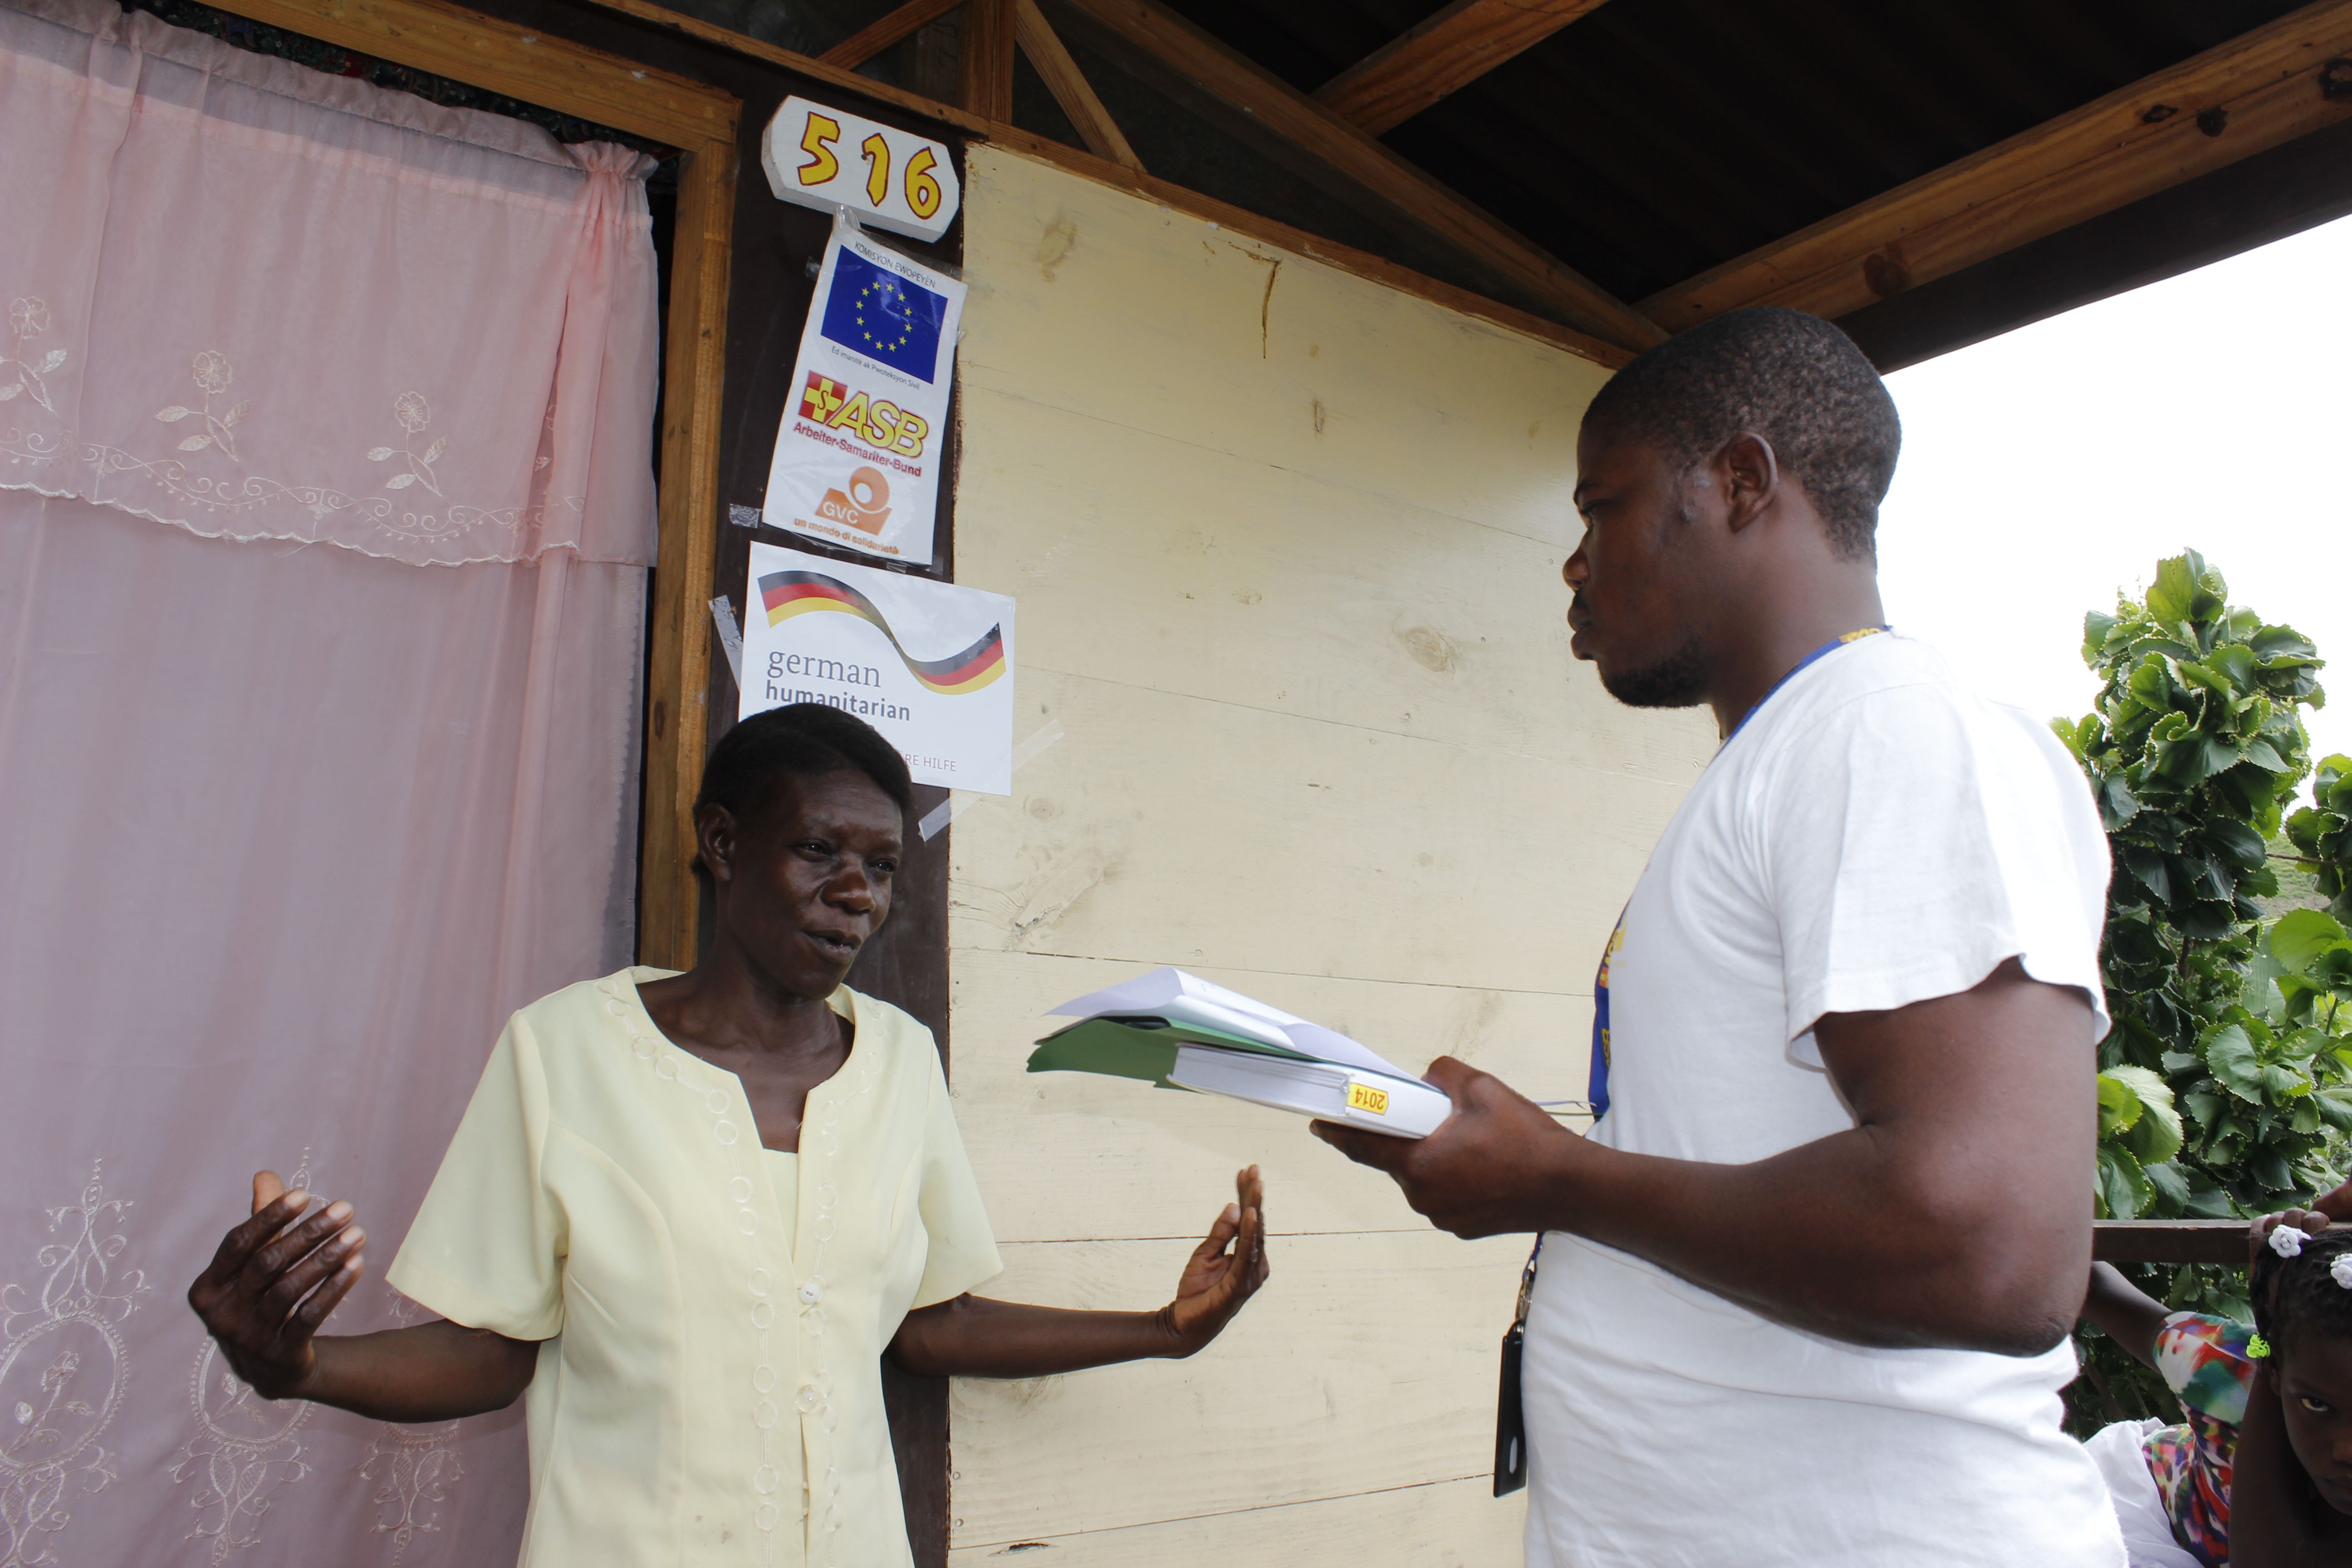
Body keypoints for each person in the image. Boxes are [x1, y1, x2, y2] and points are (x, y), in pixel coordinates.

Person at [1315, 307, 2125, 1564]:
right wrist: (1526, 1155)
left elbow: (1991, 1247)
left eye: (1603, 508)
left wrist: (1556, 1179)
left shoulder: (1895, 731)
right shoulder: (1798, 755)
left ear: (1741, 483)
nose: (1576, 564)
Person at [186, 703, 1269, 1567]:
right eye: (816, 849)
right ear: (720, 841)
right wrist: (297, 1364)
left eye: (882, 866)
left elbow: (930, 1324)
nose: (854, 894)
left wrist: (1163, 1327)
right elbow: (488, 1347)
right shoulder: (567, 1050)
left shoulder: (897, 1060)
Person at [2080, 1179, 2352, 1567]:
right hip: (2139, 1524)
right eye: (2316, 1404)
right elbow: (2096, 1287)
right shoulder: (2224, 1373)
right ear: (2274, 1371)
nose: (2347, 1450)